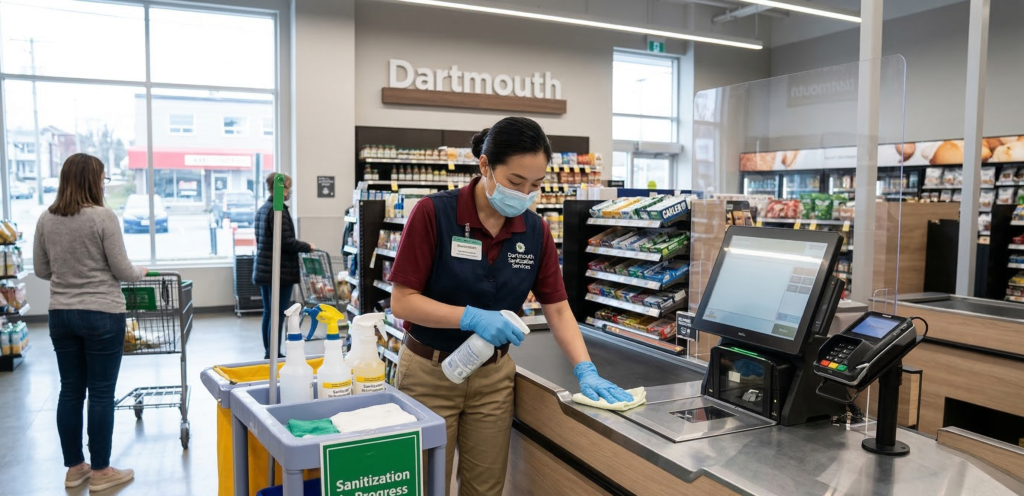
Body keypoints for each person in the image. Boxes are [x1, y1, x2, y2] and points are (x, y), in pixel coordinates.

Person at [389, 117, 632, 496]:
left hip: (492, 380)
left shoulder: (535, 231)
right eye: (516, 182)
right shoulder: (433, 214)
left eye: (536, 185)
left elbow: (557, 308)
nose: (525, 194)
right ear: (485, 165)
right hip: (428, 374)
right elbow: (402, 302)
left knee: (485, 489)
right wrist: (469, 317)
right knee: (424, 486)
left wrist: (585, 369)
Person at [34, 153, 146, 491]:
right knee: (100, 392)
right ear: (91, 180)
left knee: (70, 390)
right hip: (102, 313)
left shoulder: (46, 218)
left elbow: (41, 270)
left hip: (61, 314)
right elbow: (122, 269)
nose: (103, 184)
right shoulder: (103, 217)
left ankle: (75, 468)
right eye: (102, 178)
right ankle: (100, 472)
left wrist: (69, 272)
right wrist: (139, 272)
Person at [253, 172, 314, 359]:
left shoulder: (263, 209)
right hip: (279, 271)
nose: (289, 192)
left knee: (269, 312)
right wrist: (307, 246)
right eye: (288, 188)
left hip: (264, 267)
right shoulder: (278, 212)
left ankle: (269, 352)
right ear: (280, 189)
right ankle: (274, 354)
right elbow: (285, 241)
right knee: (278, 313)